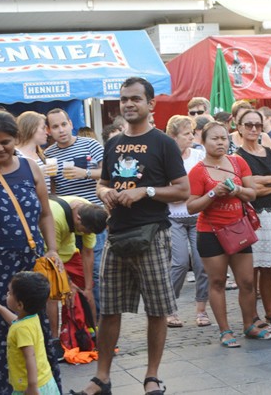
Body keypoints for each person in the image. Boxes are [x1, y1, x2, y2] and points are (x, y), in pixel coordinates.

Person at [71, 77, 190, 395]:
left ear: (150, 104)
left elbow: (183, 190)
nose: (128, 104)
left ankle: (152, 377)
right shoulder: (113, 144)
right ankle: (102, 378)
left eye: (135, 98)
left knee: (157, 310)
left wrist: (145, 191)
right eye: (124, 99)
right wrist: (104, 192)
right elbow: (103, 183)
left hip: (152, 235)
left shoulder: (163, 143)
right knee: (109, 309)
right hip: (116, 235)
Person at [0, 110, 62, 394]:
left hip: (31, 267)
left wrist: (52, 249)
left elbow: (45, 214)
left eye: (5, 141)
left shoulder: (31, 168)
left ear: (16, 138)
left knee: (34, 331)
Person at [187, 121, 271, 347]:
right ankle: (225, 331)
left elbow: (252, 193)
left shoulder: (238, 162)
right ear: (203, 142)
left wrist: (237, 190)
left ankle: (249, 325)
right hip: (210, 232)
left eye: (223, 138)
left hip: (238, 230)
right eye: (214, 138)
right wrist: (213, 193)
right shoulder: (198, 171)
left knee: (247, 281)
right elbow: (191, 207)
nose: (220, 143)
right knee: (217, 282)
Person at [45, 108, 106, 315]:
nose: (61, 130)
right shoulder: (49, 154)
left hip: (92, 216)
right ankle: (78, 321)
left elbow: (108, 174)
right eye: (55, 127)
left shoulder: (90, 144)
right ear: (49, 130)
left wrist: (85, 173)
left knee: (94, 271)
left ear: (71, 124)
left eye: (63, 124)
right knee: (70, 275)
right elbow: (52, 188)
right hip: (66, 222)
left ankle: (98, 320)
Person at [236, 110, 271, 328]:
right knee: (251, 271)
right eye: (248, 124)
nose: (253, 129)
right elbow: (249, 190)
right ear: (239, 127)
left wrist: (261, 181)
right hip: (250, 217)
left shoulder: (268, 151)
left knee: (269, 268)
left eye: (257, 125)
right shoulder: (237, 156)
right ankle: (253, 317)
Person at [164, 115, 211, 328]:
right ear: (173, 137)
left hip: (198, 216)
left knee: (202, 264)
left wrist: (184, 193)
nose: (191, 137)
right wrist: (187, 193)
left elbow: (204, 185)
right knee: (180, 263)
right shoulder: (165, 158)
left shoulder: (199, 155)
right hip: (173, 218)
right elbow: (168, 192)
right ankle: (169, 308)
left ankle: (201, 309)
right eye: (186, 134)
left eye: (192, 133)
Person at [46, 195, 108, 341]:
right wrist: (68, 282)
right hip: (48, 254)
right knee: (53, 295)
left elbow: (87, 252)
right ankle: (54, 340)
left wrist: (88, 288)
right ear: (78, 219)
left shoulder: (90, 213)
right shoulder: (55, 217)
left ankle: (93, 334)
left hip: (69, 252)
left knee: (87, 292)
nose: (86, 234)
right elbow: (52, 256)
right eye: (85, 231)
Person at [0, 272, 61, 395]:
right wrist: (0, 308)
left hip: (29, 388)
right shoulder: (32, 318)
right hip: (45, 381)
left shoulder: (21, 329)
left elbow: (30, 356)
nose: (7, 294)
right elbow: (15, 322)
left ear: (20, 305)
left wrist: (32, 386)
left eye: (10, 293)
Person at [16, 111, 52, 191]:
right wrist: (36, 174)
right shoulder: (15, 154)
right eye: (43, 128)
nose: (47, 132)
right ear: (31, 129)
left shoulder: (42, 155)